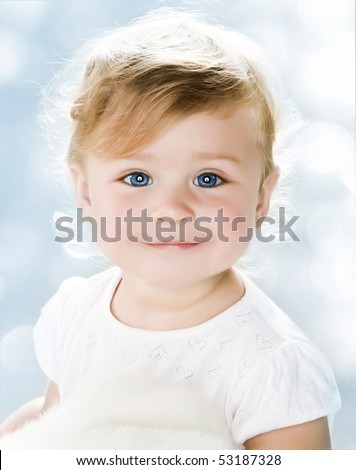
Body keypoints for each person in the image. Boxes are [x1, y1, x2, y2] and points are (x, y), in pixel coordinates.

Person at [0, 8, 341, 449]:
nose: (172, 211)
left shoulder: (274, 369)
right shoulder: (75, 316)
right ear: (85, 192)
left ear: (261, 196)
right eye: (137, 179)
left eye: (209, 179)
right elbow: (53, 443)